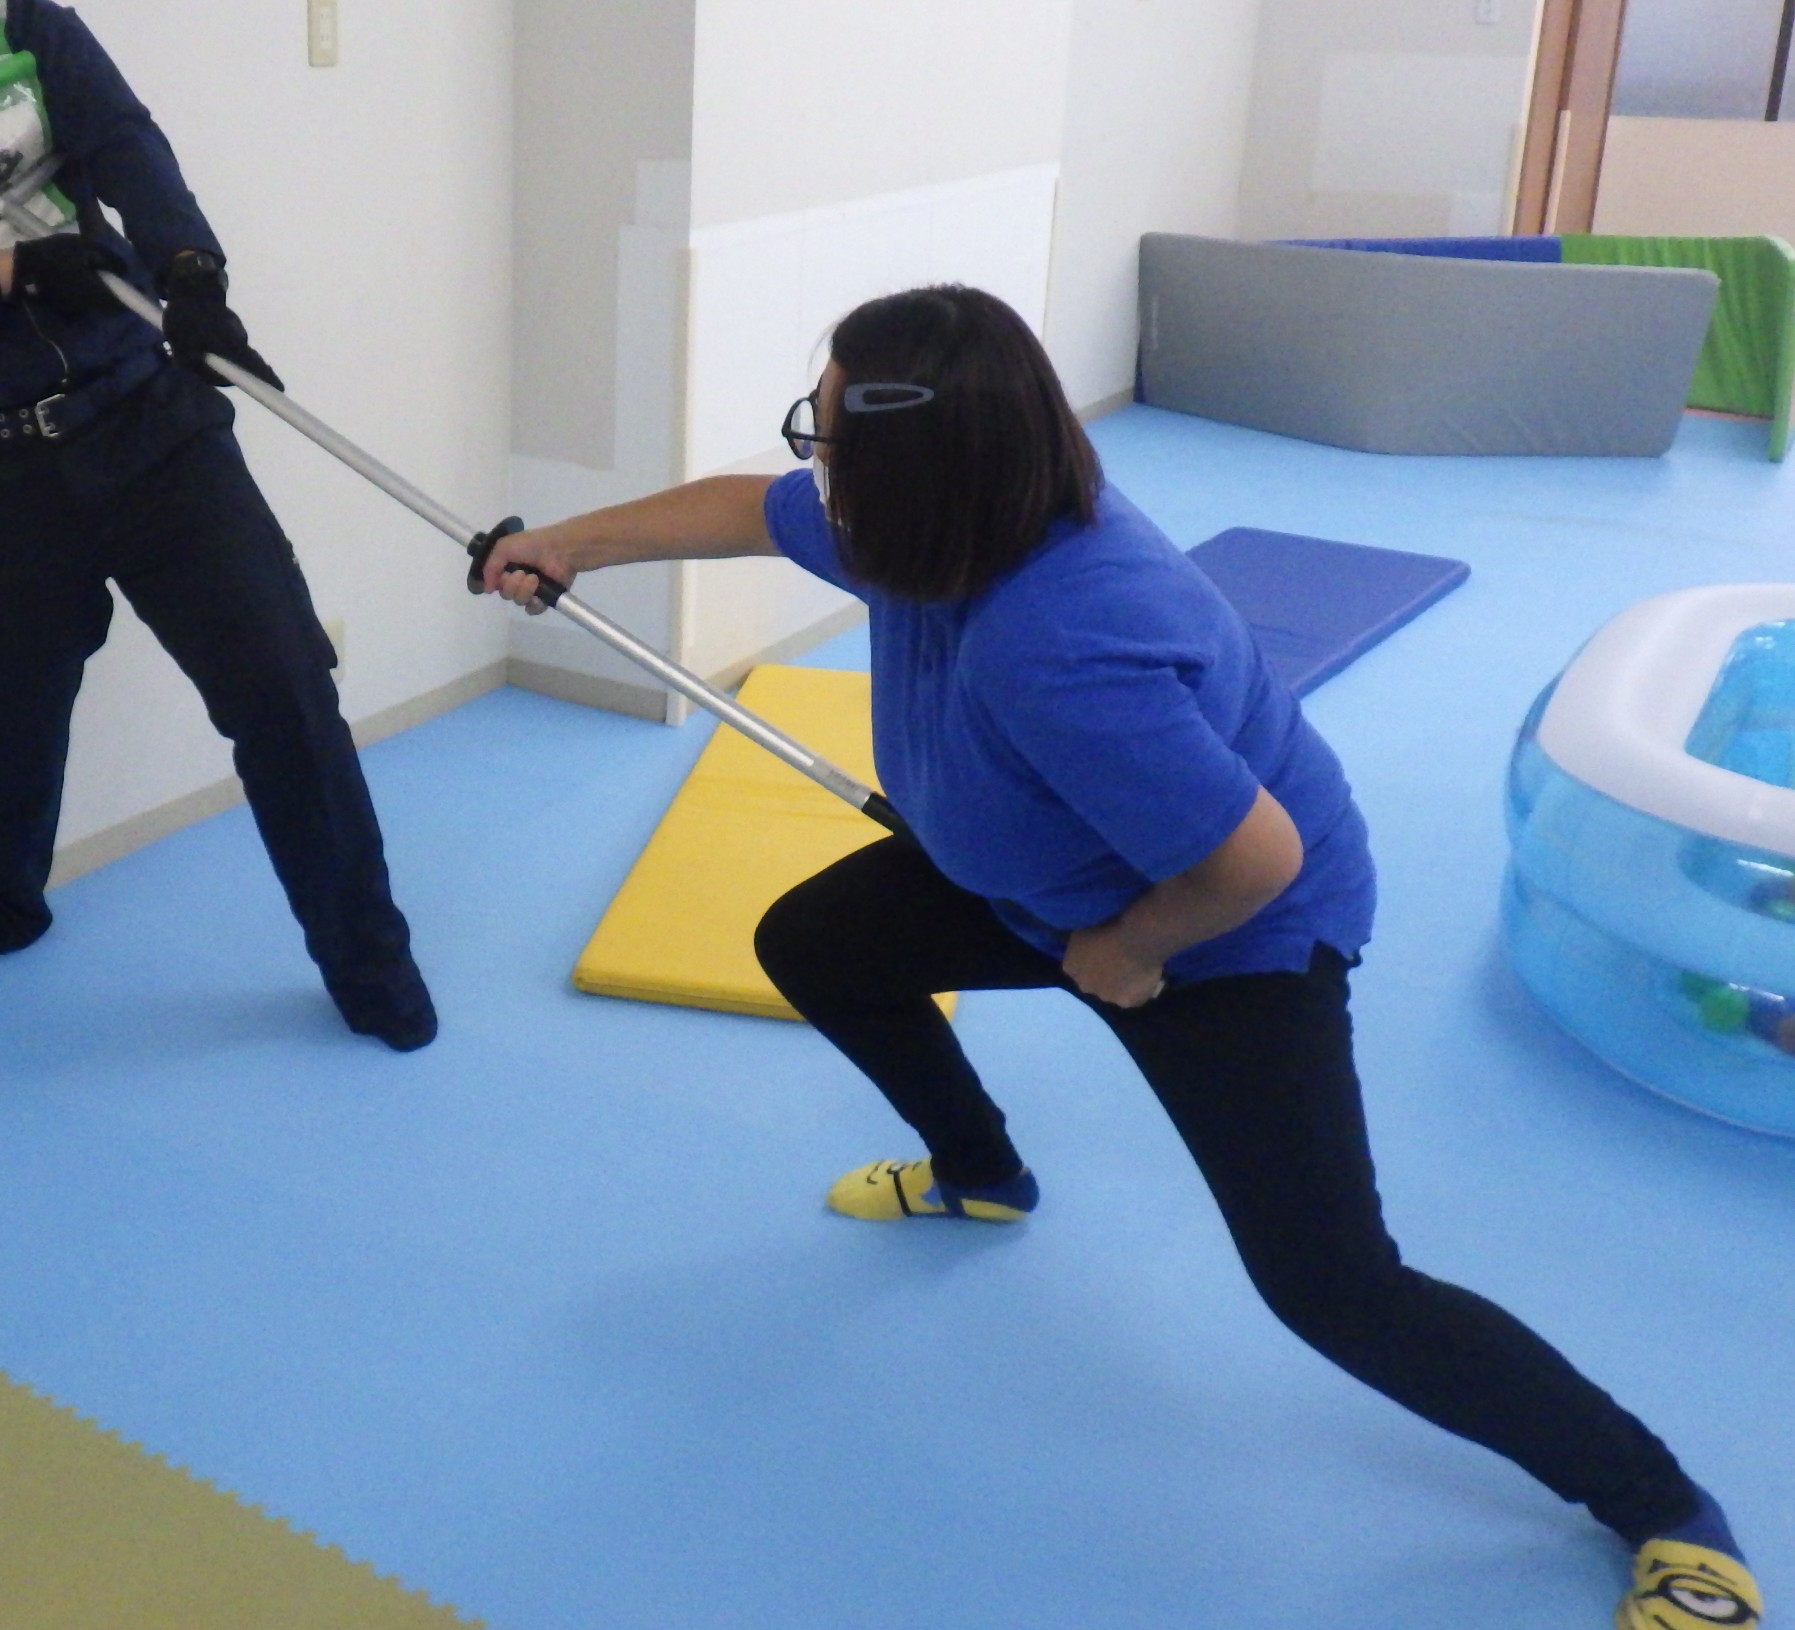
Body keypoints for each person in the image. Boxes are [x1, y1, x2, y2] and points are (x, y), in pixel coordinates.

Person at [480, 284, 1760, 1627]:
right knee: (817, 942)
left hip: (1216, 935)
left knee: (1333, 1287)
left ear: (915, 467)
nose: (817, 462)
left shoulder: (1061, 638)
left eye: (831, 435)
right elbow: (750, 509)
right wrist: (567, 544)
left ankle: (1660, 1503)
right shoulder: (930, 515)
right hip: (1043, 877)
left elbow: (1251, 858)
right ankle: (981, 1173)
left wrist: (1123, 947)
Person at [0, 0, 435, 1049]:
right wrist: (23, 270)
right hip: (8, 470)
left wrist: (191, 273)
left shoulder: (29, 24)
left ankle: (369, 964)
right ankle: (8, 910)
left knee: (284, 689)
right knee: (12, 714)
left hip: (149, 423)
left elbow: (124, 141)